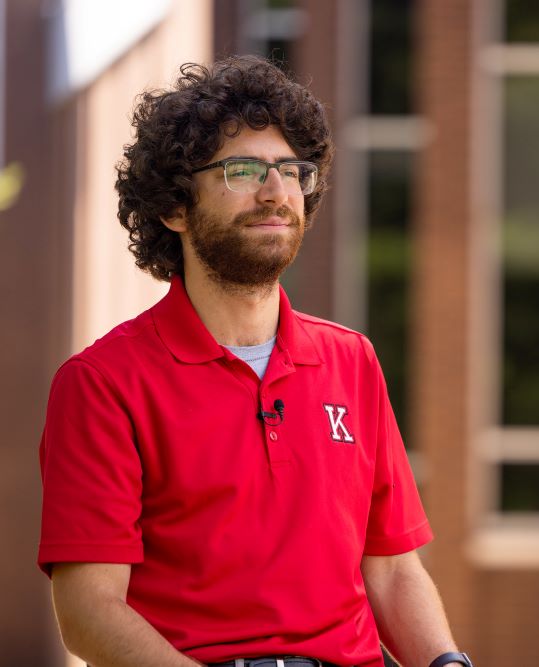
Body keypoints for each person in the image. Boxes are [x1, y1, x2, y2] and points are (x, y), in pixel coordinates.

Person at [37, 55, 472, 667]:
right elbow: (88, 610)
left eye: (291, 170)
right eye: (242, 171)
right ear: (174, 207)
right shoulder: (102, 384)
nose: (275, 192)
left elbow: (395, 573)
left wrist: (447, 663)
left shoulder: (352, 361)